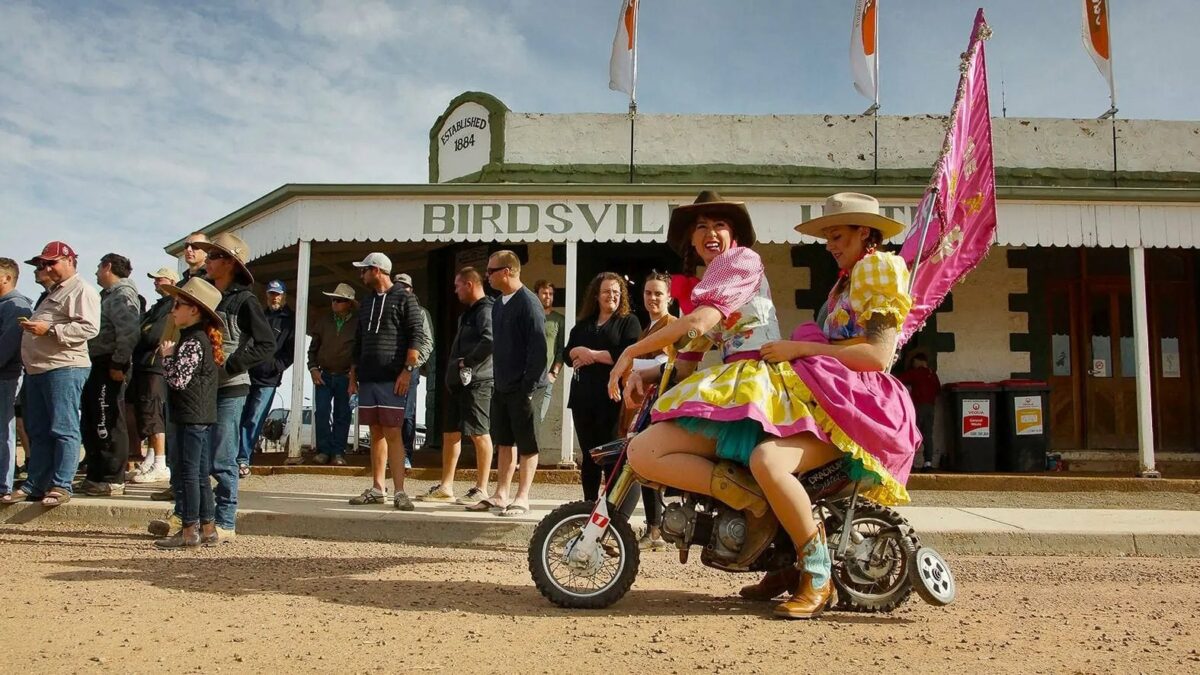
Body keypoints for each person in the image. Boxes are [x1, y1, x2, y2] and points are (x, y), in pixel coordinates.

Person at [610, 191, 918, 620]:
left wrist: (630, 353)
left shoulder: (753, 264)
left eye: (837, 235)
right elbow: (691, 351)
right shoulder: (838, 283)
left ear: (865, 232)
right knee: (648, 450)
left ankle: (814, 572)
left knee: (768, 463)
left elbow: (877, 356)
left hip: (846, 399)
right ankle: (778, 551)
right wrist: (648, 373)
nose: (830, 245)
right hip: (768, 384)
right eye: (700, 227)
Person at [190, 233, 276, 541]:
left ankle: (225, 520)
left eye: (213, 257)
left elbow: (266, 342)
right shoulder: (201, 293)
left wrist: (232, 365)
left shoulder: (245, 300)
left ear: (229, 263)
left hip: (230, 387)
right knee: (196, 455)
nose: (207, 261)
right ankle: (196, 518)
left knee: (222, 456)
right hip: (199, 388)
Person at [4, 242, 100, 506]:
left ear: (70, 261)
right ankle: (36, 483)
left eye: (51, 262)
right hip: (39, 369)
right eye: (42, 264)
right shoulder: (51, 293)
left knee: (62, 427)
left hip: (64, 367)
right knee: (38, 429)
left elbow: (90, 328)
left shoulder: (81, 290)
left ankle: (61, 484)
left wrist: (49, 330)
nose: (45, 268)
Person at [347, 252, 425, 511]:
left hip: (393, 378)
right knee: (375, 433)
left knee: (393, 433)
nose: (361, 274)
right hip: (368, 378)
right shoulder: (367, 302)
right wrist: (353, 375)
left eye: (364, 269)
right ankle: (378, 488)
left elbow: (417, 336)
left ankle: (400, 491)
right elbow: (358, 340)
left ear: (377, 270)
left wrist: (407, 371)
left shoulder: (406, 298)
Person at [471, 250, 545, 517]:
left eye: (491, 271)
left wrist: (527, 388)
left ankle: (522, 496)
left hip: (525, 387)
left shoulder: (529, 303)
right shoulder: (499, 303)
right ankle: (501, 494)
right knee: (504, 441)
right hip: (501, 384)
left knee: (527, 442)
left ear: (507, 271)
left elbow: (539, 350)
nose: (486, 276)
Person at [154, 277, 226, 549]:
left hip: (190, 416)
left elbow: (178, 381)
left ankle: (189, 530)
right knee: (199, 474)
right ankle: (208, 528)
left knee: (188, 472)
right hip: (200, 415)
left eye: (178, 305)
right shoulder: (199, 339)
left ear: (194, 310)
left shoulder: (192, 341)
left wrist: (168, 357)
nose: (173, 310)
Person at [562, 273, 640, 502]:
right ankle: (588, 505)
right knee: (589, 455)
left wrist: (591, 355)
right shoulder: (584, 324)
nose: (611, 296)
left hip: (611, 399)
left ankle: (611, 507)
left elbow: (627, 354)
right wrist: (577, 352)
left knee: (610, 455)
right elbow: (566, 354)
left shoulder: (628, 322)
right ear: (597, 295)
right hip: (582, 399)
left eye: (616, 292)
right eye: (607, 291)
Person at [618, 271, 681, 550]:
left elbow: (668, 367)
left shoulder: (672, 325)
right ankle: (653, 528)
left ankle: (642, 526)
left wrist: (632, 370)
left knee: (642, 465)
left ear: (670, 297)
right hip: (641, 406)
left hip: (658, 406)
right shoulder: (648, 328)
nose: (652, 298)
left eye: (658, 293)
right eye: (648, 293)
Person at [422, 266, 493, 505]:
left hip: (478, 382)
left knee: (479, 433)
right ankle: (446, 486)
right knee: (450, 433)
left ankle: (481, 488)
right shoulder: (467, 313)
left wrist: (467, 361)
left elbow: (490, 340)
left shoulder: (486, 310)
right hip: (457, 383)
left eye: (457, 285)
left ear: (469, 284)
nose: (455, 291)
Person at [78, 253, 142, 497]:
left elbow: (128, 332)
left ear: (107, 266)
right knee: (94, 420)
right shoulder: (108, 295)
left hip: (110, 364)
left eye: (98, 267)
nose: (95, 273)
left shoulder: (122, 294)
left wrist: (118, 363)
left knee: (108, 420)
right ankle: (96, 475)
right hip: (97, 363)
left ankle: (112, 478)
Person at [127, 267, 180, 484]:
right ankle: (150, 457)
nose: (156, 281)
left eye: (160, 278)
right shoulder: (158, 306)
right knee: (146, 413)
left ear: (172, 281)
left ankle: (160, 462)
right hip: (144, 365)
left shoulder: (172, 306)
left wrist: (141, 333)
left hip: (155, 365)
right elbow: (141, 330)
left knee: (154, 411)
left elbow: (152, 335)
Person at [239, 279, 295, 476]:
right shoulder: (259, 316)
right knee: (239, 416)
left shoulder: (290, 320)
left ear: (284, 296)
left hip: (268, 379)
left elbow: (291, 351)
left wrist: (276, 367)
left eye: (278, 294)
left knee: (254, 418)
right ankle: (236, 456)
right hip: (247, 374)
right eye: (271, 293)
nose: (275, 297)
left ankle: (242, 459)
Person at [308, 283, 358, 466]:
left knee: (342, 415)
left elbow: (358, 354)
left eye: (339, 300)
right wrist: (313, 369)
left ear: (349, 304)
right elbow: (312, 349)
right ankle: (323, 450)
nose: (334, 303)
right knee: (321, 412)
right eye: (333, 300)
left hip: (346, 376)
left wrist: (354, 377)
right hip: (324, 375)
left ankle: (338, 452)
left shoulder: (357, 324)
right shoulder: (323, 321)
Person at [0, 258, 32, 501]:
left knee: (4, 430)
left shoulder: (15, 305)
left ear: (6, 278)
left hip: (7, 377)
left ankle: (3, 485)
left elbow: (7, 346)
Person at [393, 272, 432, 468]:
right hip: (389, 369)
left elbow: (427, 341)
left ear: (411, 289)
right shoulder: (388, 308)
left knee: (407, 413)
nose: (401, 290)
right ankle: (391, 456)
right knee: (388, 414)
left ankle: (406, 455)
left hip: (410, 368)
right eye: (397, 286)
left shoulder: (421, 312)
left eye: (405, 286)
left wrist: (414, 363)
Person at [898, 352, 941, 471]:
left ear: (920, 361)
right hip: (930, 407)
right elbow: (938, 390)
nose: (914, 364)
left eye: (914, 362)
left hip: (917, 407)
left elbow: (900, 379)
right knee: (927, 435)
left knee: (912, 434)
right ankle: (927, 463)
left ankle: (909, 463)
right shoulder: (933, 374)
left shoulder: (916, 372)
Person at [530, 280, 565, 423]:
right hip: (526, 376)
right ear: (536, 294)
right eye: (544, 293)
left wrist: (554, 373)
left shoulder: (559, 320)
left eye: (551, 294)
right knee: (524, 420)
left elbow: (561, 349)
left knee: (539, 419)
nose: (548, 296)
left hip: (546, 378)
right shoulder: (529, 316)